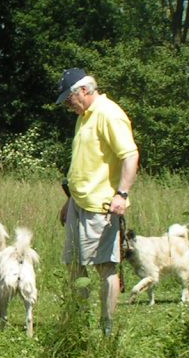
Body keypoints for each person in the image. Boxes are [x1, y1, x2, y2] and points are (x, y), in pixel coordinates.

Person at [56, 67, 139, 335]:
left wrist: (122, 194)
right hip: (79, 203)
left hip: (101, 206)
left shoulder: (109, 114)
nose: (68, 105)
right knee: (74, 264)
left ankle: (107, 328)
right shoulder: (84, 117)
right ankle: (79, 322)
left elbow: (130, 155)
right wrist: (70, 201)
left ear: (83, 90)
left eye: (69, 99)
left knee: (105, 267)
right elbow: (85, 163)